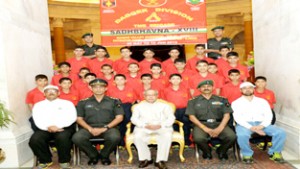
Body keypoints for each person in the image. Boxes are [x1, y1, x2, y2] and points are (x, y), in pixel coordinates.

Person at [72, 78, 124, 166]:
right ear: (91, 88)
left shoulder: (114, 101)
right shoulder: (83, 102)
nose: (98, 89)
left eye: (101, 87)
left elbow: (119, 117)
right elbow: (79, 118)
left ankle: (104, 155)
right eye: (95, 87)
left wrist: (105, 128)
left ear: (106, 88)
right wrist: (90, 128)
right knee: (77, 138)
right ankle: (93, 155)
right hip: (88, 127)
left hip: (108, 127)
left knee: (115, 137)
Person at [232, 82, 286, 164]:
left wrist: (262, 125)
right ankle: (247, 154)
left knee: (280, 132)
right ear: (241, 90)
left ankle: (275, 153)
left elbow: (269, 115)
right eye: (244, 88)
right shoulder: (236, 103)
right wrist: (252, 128)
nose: (247, 89)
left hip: (263, 123)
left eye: (250, 87)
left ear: (253, 89)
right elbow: (238, 118)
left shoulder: (262, 101)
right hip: (245, 124)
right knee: (242, 135)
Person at [185, 80, 236, 160]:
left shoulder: (222, 100)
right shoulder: (192, 101)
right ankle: (207, 151)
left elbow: (227, 115)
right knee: (198, 138)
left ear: (213, 88)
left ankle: (221, 151)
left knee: (232, 136)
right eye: (203, 87)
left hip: (219, 123)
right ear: (199, 89)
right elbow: (191, 117)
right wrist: (205, 128)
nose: (206, 88)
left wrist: (219, 128)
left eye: (209, 86)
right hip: (201, 124)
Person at [29, 85, 77, 169]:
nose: (51, 92)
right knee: (35, 139)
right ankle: (45, 160)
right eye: (48, 91)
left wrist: (58, 126)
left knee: (62, 137)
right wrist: (48, 127)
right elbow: (37, 119)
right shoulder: (38, 105)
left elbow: (72, 117)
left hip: (64, 127)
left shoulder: (67, 103)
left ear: (58, 93)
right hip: (45, 128)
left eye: (54, 91)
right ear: (44, 94)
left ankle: (64, 161)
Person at [131, 89, 175, 169]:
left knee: (167, 135)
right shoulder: (138, 106)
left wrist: (161, 125)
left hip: (161, 126)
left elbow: (171, 118)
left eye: (153, 95)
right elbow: (134, 119)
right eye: (148, 95)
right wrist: (144, 125)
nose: (151, 97)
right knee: (137, 136)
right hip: (144, 127)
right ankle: (146, 158)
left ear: (157, 96)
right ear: (144, 96)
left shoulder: (165, 106)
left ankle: (160, 160)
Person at [106, 74, 137, 147]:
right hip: (115, 107)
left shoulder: (131, 89)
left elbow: (134, 100)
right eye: (117, 79)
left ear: (125, 80)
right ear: (114, 81)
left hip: (128, 107)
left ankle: (130, 142)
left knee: (129, 122)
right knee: (118, 124)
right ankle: (119, 142)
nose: (119, 81)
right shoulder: (110, 90)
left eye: (121, 79)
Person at [161, 74, 191, 146]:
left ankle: (186, 141)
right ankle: (175, 143)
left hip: (184, 110)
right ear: (170, 80)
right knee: (173, 125)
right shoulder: (165, 90)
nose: (175, 80)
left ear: (181, 80)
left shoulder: (186, 89)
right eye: (173, 79)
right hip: (171, 111)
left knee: (185, 125)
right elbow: (163, 101)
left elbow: (190, 100)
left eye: (178, 79)